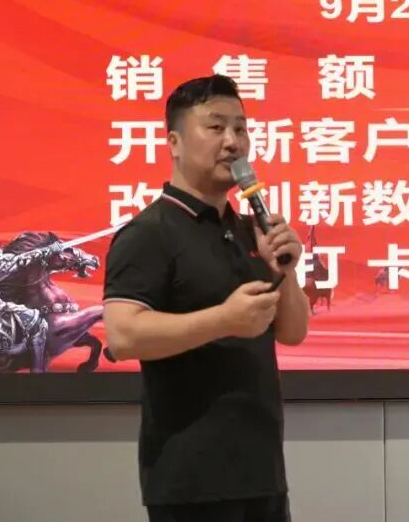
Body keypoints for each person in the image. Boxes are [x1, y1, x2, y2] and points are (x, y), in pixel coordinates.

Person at [103, 74, 309, 522]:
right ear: (174, 142)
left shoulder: (249, 231)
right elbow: (122, 335)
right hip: (191, 482)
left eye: (240, 128)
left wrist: (286, 273)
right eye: (216, 127)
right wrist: (224, 320)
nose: (233, 142)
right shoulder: (149, 233)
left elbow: (292, 332)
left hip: (262, 473)